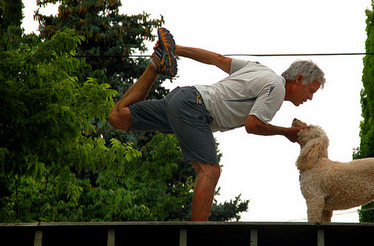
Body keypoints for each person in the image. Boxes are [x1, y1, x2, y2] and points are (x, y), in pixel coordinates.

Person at [108, 27, 326, 221]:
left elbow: (216, 58)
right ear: (298, 79)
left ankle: (155, 66)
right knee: (210, 171)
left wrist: (176, 49)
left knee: (117, 117)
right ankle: (198, 234)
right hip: (195, 109)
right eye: (311, 91)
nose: (310, 98)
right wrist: (286, 132)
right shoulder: (276, 90)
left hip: (184, 99)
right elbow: (253, 125)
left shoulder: (259, 69)